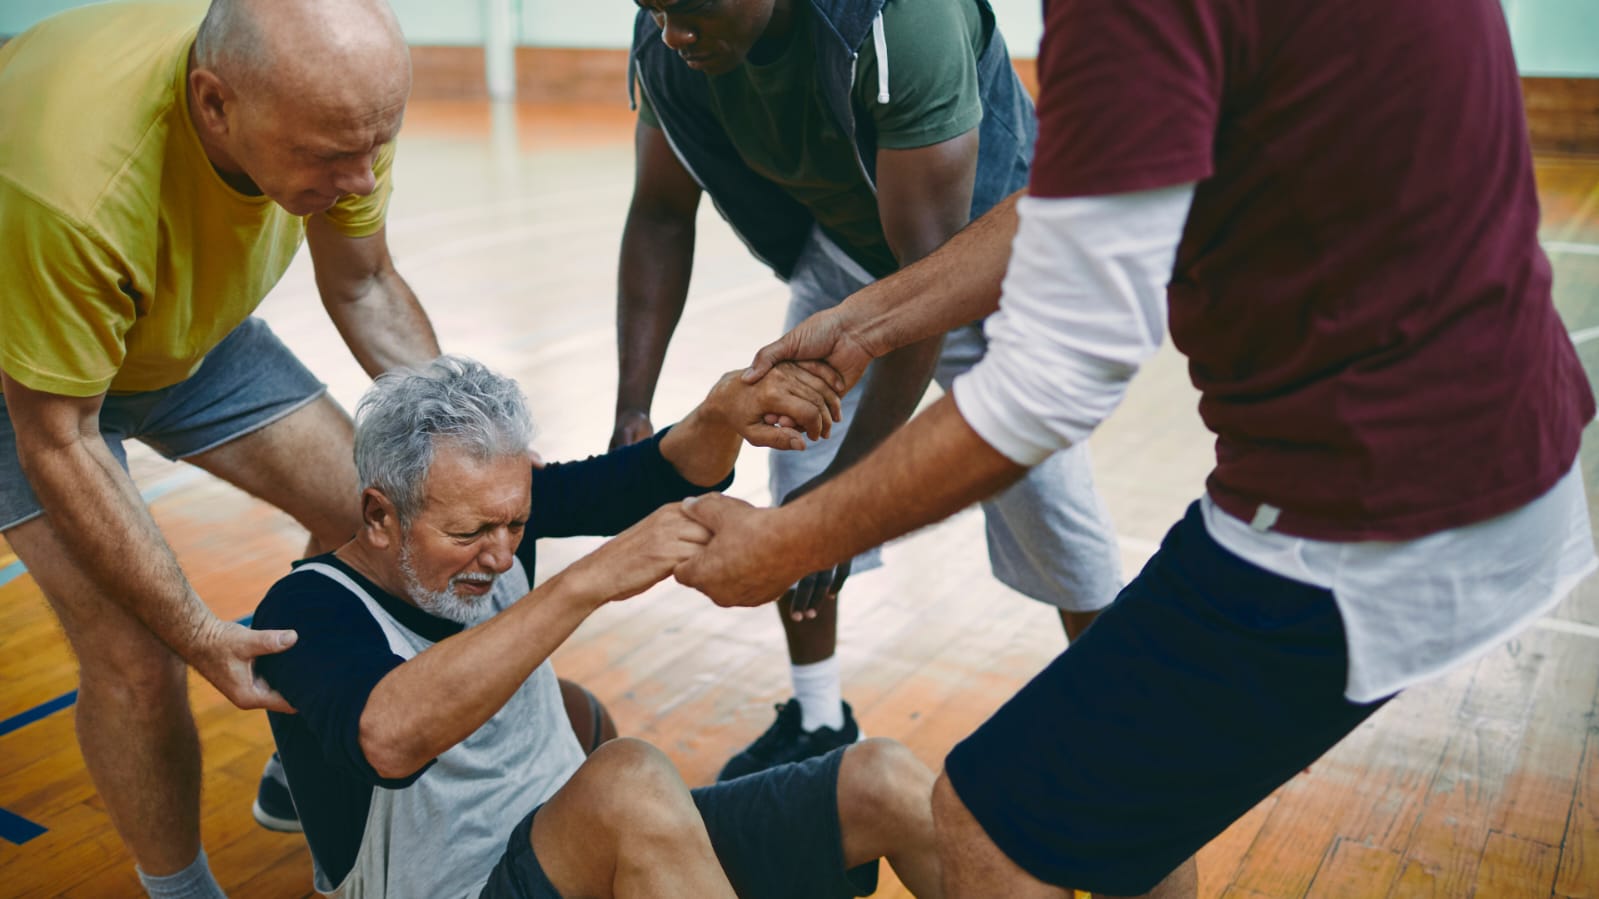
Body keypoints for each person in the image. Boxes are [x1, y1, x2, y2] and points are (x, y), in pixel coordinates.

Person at [672, 0, 1599, 895]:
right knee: (1114, 812)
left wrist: (794, 538)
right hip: (1504, 432)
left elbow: (1048, 384)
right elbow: (1078, 208)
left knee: (992, 818)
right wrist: (867, 322)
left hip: (1370, 508)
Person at [617, 0, 1123, 782]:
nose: (672, 31)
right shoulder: (667, 41)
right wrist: (632, 411)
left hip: (987, 256)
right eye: (653, 7)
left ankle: (1115, 728)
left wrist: (841, 500)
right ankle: (818, 717)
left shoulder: (903, 21)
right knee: (794, 463)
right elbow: (658, 214)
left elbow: (926, 290)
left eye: (691, 8)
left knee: (1047, 499)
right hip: (849, 245)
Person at [0, 0, 440, 894]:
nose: (360, 179)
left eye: (377, 145)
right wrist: (197, 629)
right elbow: (61, 437)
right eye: (329, 157)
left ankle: (300, 755)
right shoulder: (69, 189)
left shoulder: (334, 104)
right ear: (214, 104)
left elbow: (364, 283)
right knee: (138, 654)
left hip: (174, 322)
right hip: (28, 364)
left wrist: (464, 438)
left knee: (379, 512)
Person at [251, 356, 941, 899]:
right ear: (379, 516)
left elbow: (652, 476)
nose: (500, 554)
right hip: (467, 886)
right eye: (468, 533)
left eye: (516, 523)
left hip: (587, 853)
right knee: (626, 778)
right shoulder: (306, 606)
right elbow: (390, 737)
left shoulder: (495, 513)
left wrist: (723, 412)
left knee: (881, 779)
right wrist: (588, 580)